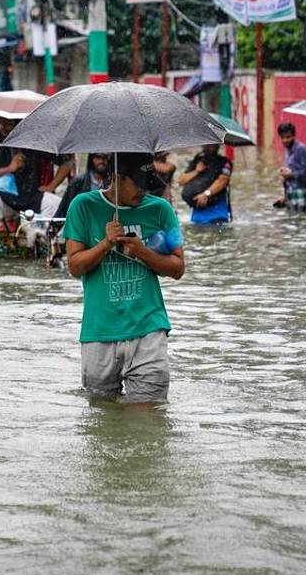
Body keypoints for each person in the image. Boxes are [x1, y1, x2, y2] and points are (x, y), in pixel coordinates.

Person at [62, 152, 185, 405]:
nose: (144, 191)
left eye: (147, 184)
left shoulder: (160, 209)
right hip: (99, 331)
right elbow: (74, 266)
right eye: (138, 184)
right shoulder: (82, 206)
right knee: (103, 423)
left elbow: (178, 268)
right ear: (118, 177)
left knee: (148, 422)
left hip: (148, 328)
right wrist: (106, 243)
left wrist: (143, 252)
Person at [0, 118, 68, 259]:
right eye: (2, 123)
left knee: (58, 205)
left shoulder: (34, 145)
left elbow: (67, 164)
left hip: (31, 197)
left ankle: (55, 247)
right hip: (4, 198)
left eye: (9, 124)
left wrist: (51, 186)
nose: (3, 127)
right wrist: (9, 168)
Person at [178, 144, 232, 225]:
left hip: (217, 213)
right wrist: (196, 171)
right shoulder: (198, 161)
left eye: (211, 145)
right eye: (205, 145)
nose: (207, 147)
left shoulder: (224, 162)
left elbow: (222, 181)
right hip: (197, 214)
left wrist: (206, 194)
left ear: (217, 146)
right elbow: (181, 181)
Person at [274, 122, 306, 212]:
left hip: (303, 195)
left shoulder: (302, 150)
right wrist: (285, 197)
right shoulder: (288, 151)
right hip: (292, 195)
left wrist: (292, 174)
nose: (285, 140)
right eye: (282, 137)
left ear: (294, 136)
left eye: (288, 137)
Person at [58, 152, 109, 219]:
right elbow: (68, 207)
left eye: (104, 158)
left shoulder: (111, 182)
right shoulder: (79, 181)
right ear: (92, 159)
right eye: (98, 157)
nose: (101, 161)